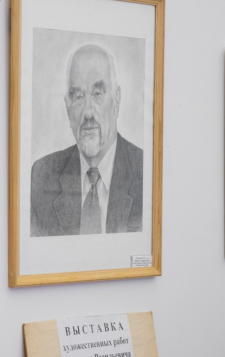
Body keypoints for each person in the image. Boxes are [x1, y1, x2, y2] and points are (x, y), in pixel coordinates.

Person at [30, 44, 143, 237]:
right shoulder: (42, 177)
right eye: (78, 97)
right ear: (67, 108)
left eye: (98, 94)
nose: (88, 112)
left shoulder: (146, 172)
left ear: (116, 100)